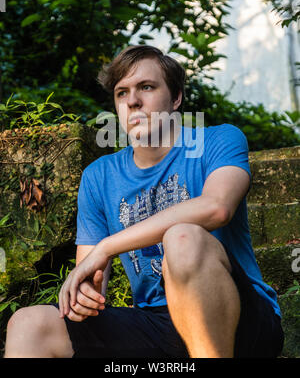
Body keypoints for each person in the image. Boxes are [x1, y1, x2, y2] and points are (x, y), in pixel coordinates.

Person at [5, 45, 284, 358]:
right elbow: (92, 276)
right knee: (27, 323)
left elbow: (217, 207)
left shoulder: (218, 140)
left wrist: (107, 246)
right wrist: (84, 292)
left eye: (146, 87)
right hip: (157, 326)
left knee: (183, 237)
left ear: (176, 97)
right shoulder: (99, 176)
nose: (133, 101)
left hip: (240, 320)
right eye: (122, 93)